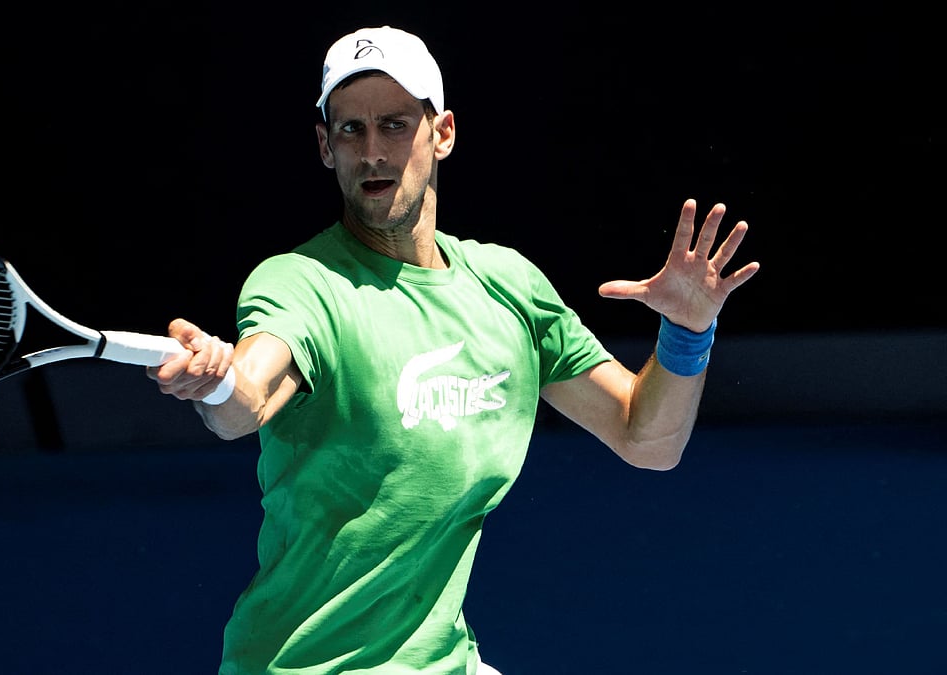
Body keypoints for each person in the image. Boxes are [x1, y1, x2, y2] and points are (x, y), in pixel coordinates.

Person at [146, 25, 760, 675]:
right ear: (325, 146)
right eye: (350, 130)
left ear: (442, 133)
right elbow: (247, 397)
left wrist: (688, 334)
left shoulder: (507, 288)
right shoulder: (301, 283)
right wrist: (214, 381)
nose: (373, 151)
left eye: (395, 124)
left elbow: (648, 438)